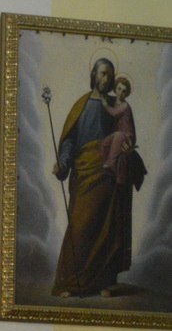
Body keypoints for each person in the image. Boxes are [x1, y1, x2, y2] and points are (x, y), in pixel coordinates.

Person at [51, 58, 144, 297]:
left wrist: (127, 152)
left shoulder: (116, 105)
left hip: (107, 174)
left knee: (106, 230)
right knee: (80, 227)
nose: (106, 79)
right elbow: (69, 140)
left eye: (110, 75)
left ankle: (103, 282)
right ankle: (70, 283)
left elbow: (127, 136)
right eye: (103, 73)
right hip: (84, 172)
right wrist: (63, 163)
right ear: (94, 74)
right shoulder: (81, 105)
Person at [98, 76, 137, 183]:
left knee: (118, 135)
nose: (121, 93)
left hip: (127, 136)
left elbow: (113, 113)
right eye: (119, 89)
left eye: (124, 91)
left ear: (127, 93)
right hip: (117, 135)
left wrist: (105, 104)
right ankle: (108, 169)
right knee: (104, 144)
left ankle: (111, 164)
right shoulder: (114, 101)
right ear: (115, 89)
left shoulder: (125, 105)